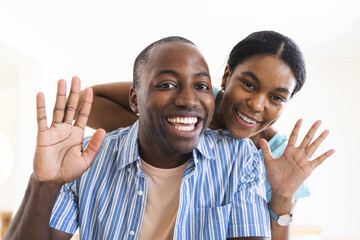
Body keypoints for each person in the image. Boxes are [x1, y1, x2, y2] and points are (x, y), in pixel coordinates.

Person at [5, 37, 282, 240]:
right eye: (167, 84)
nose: (188, 100)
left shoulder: (239, 157)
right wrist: (44, 184)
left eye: (201, 86)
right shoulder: (87, 159)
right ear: (135, 100)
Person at [78, 31, 335, 239]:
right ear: (226, 77)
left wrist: (283, 198)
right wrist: (172, 133)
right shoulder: (194, 98)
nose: (257, 105)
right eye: (248, 84)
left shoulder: (280, 158)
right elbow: (85, 103)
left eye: (276, 97)